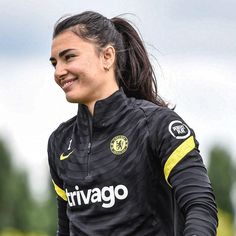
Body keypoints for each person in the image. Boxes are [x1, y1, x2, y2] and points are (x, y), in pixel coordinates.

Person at [48, 10, 218, 236]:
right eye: (54, 63)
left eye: (69, 57)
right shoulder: (60, 141)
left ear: (107, 56)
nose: (59, 71)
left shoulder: (158, 125)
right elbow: (66, 229)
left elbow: (201, 206)